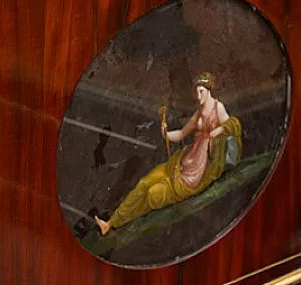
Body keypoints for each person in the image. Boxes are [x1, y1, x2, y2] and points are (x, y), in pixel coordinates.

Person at [95, 72, 242, 236]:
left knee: (153, 194)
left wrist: (217, 131)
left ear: (209, 91)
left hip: (199, 171)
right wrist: (166, 134)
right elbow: (181, 133)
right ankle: (110, 222)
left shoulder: (218, 107)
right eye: (197, 91)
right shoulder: (199, 113)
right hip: (185, 160)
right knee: (144, 183)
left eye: (201, 91)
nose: (198, 95)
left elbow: (232, 124)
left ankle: (124, 221)